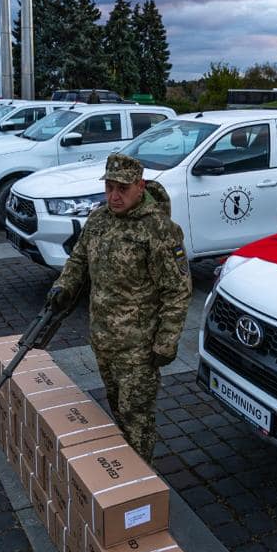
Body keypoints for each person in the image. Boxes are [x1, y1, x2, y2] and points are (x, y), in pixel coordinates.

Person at [47, 153, 192, 463]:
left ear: (140, 186)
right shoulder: (99, 219)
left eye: (122, 189)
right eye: (109, 187)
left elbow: (177, 291)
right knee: (116, 405)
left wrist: (166, 341)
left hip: (138, 349)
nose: (114, 196)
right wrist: (63, 286)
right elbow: (79, 260)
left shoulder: (160, 230)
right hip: (103, 338)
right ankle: (124, 473)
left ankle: (139, 485)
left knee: (136, 417)